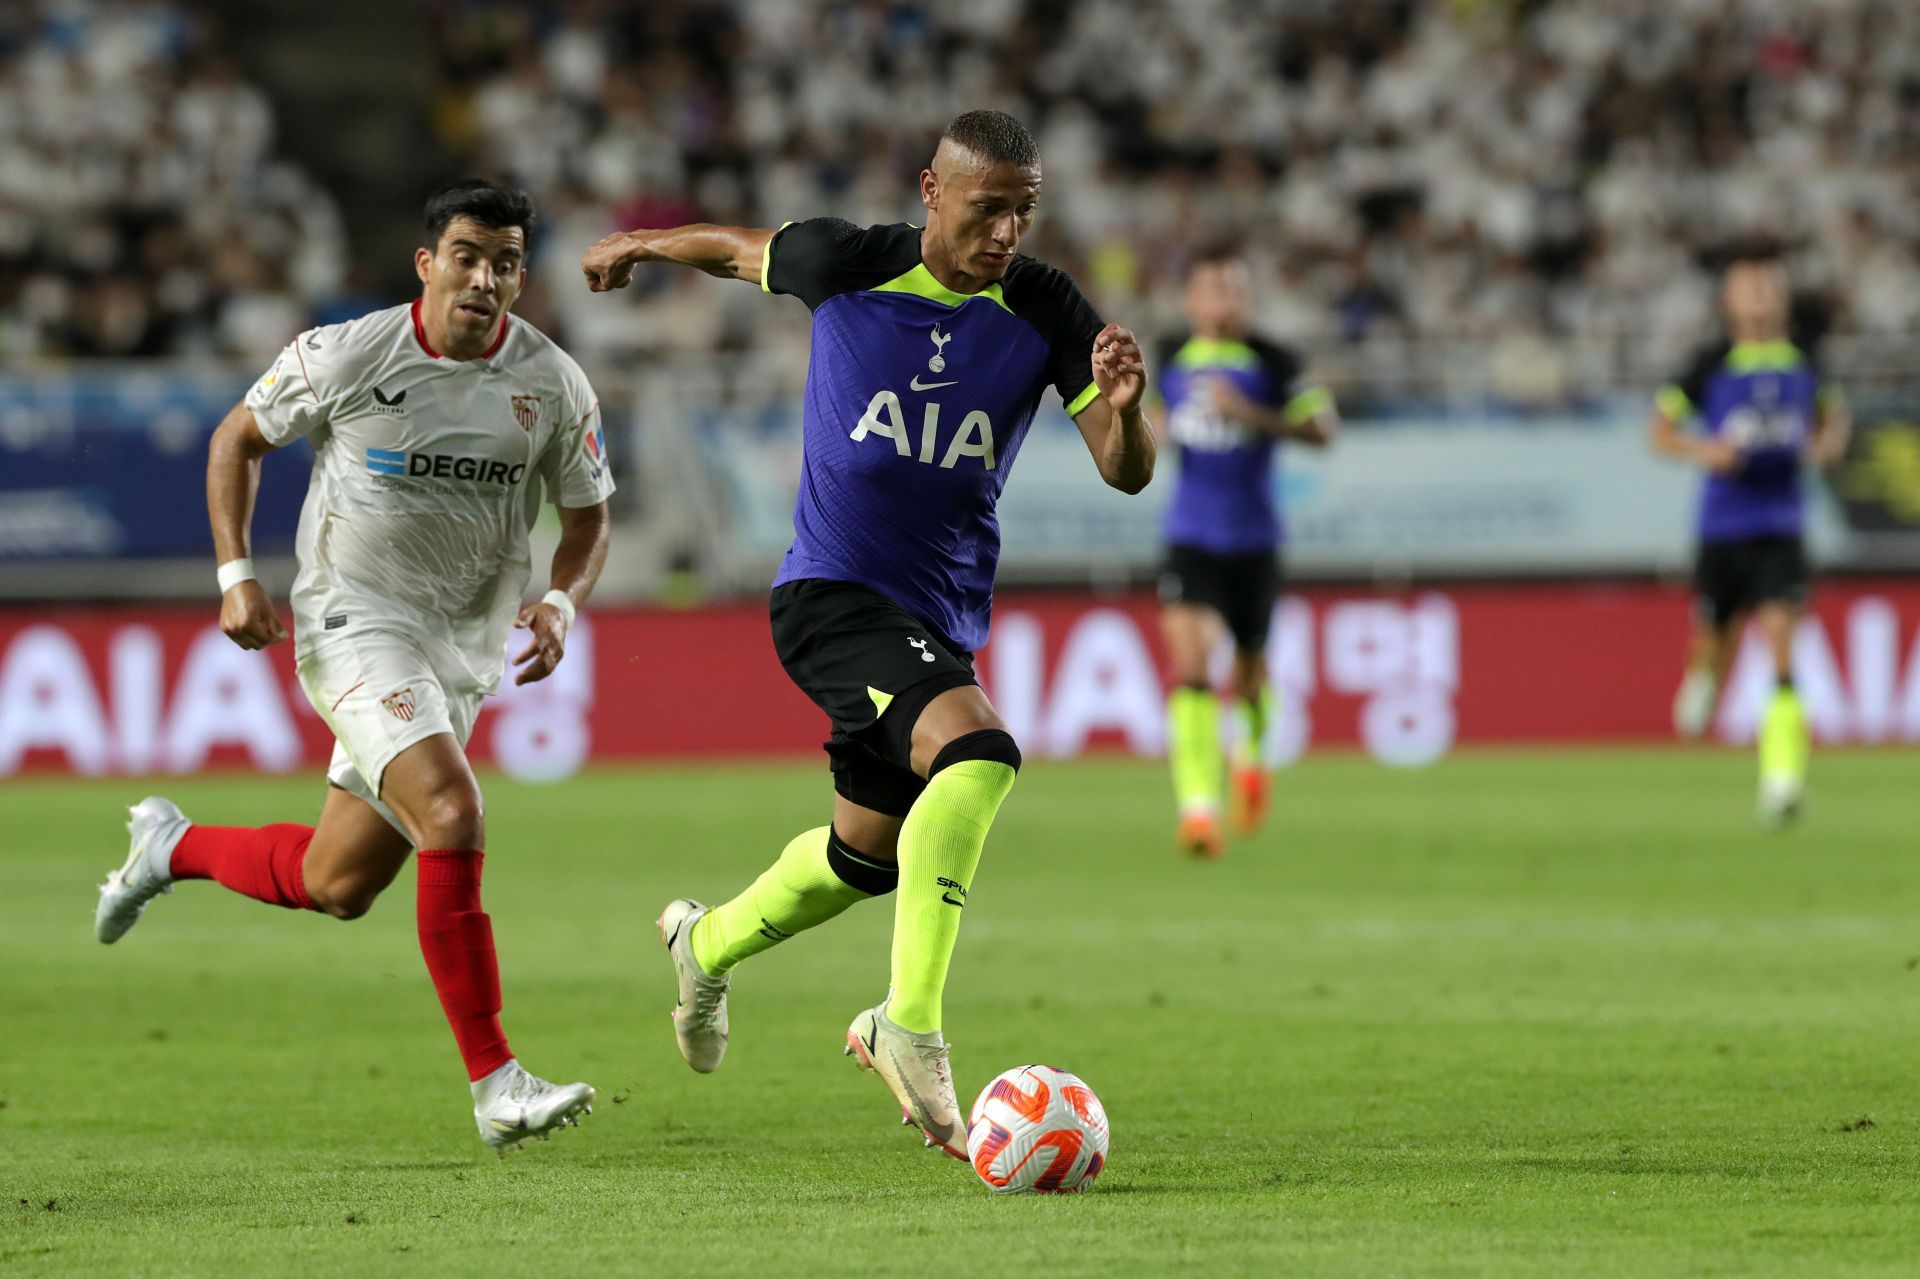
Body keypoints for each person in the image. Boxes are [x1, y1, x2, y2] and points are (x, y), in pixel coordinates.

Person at [580, 109, 1155, 1158]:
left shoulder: (1045, 305)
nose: (1006, 235)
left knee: (864, 857)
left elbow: (1124, 468)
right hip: (831, 594)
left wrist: (1127, 406)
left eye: (1024, 214)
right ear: (933, 191)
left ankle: (704, 944)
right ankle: (908, 1022)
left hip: (936, 615)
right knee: (980, 755)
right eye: (988, 210)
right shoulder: (849, 261)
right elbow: (738, 249)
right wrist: (641, 245)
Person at [93, 179, 615, 1152]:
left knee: (339, 883)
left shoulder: (550, 383)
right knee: (453, 811)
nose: (485, 278)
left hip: (458, 648)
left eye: (505, 262)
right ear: (427, 264)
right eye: (467, 255)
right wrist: (236, 574)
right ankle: (497, 1081)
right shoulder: (348, 353)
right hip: (352, 619)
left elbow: (588, 512)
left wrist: (560, 598)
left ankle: (169, 847)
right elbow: (236, 439)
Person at [1649, 251, 1849, 824]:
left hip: (1780, 522)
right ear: (1727, 303)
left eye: (1768, 286)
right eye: (1748, 286)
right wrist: (1703, 450)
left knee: (1781, 637)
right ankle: (1701, 677)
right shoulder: (1709, 366)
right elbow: (1659, 432)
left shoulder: (1806, 362)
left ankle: (1781, 782)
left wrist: (1828, 443)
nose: (1760, 294)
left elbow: (1834, 415)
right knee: (1714, 637)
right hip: (1722, 526)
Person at [1155, 246, 1337, 857]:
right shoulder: (1168, 356)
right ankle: (1200, 811)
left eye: (1235, 290)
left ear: (1248, 299)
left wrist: (1251, 414)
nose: (1224, 302)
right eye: (1213, 290)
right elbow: (1154, 424)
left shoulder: (1275, 362)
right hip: (1191, 536)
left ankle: (1253, 761)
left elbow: (1323, 431)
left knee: (1250, 678)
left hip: (1255, 541)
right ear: (1192, 300)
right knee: (1191, 666)